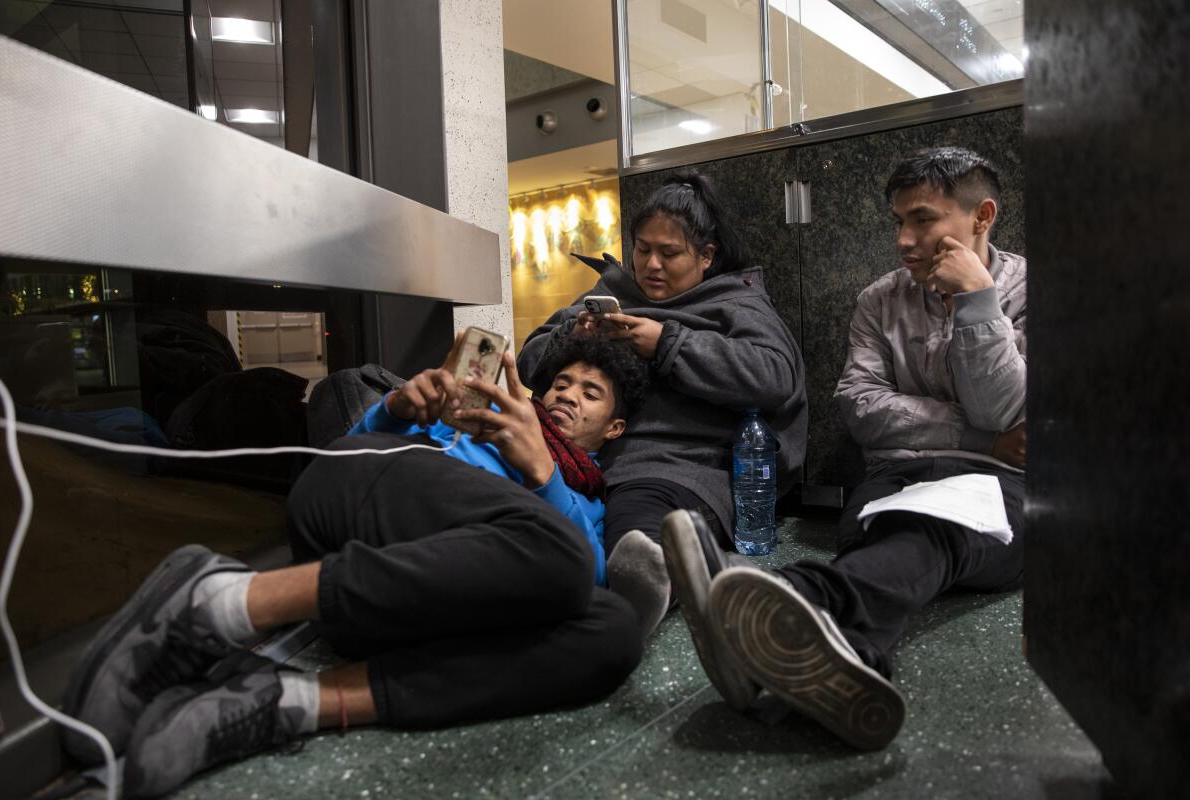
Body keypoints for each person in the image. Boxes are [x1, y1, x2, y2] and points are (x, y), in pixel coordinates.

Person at [60, 332, 649, 797]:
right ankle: (218, 606)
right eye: (562, 384)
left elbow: (584, 578)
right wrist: (395, 409)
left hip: (394, 606)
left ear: (614, 428)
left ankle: (287, 704)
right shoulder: (479, 433)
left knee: (614, 632)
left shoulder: (589, 502)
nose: (567, 395)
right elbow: (347, 457)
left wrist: (543, 472)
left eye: (590, 393)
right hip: (356, 501)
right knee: (563, 559)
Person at [663, 146, 1027, 749]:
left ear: (981, 216)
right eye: (898, 222)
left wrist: (978, 302)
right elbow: (861, 407)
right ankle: (852, 666)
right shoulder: (878, 300)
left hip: (1002, 486)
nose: (905, 240)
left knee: (933, 527)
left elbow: (1005, 407)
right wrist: (976, 435)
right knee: (883, 528)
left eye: (924, 219)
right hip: (898, 476)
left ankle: (796, 594)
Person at [517, 170, 808, 640]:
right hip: (575, 455)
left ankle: (650, 590)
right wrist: (572, 338)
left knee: (636, 517)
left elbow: (773, 377)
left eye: (669, 253)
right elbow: (530, 361)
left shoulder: (735, 302)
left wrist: (667, 344)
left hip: (674, 469)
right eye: (642, 249)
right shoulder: (604, 298)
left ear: (707, 256)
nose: (651, 264)